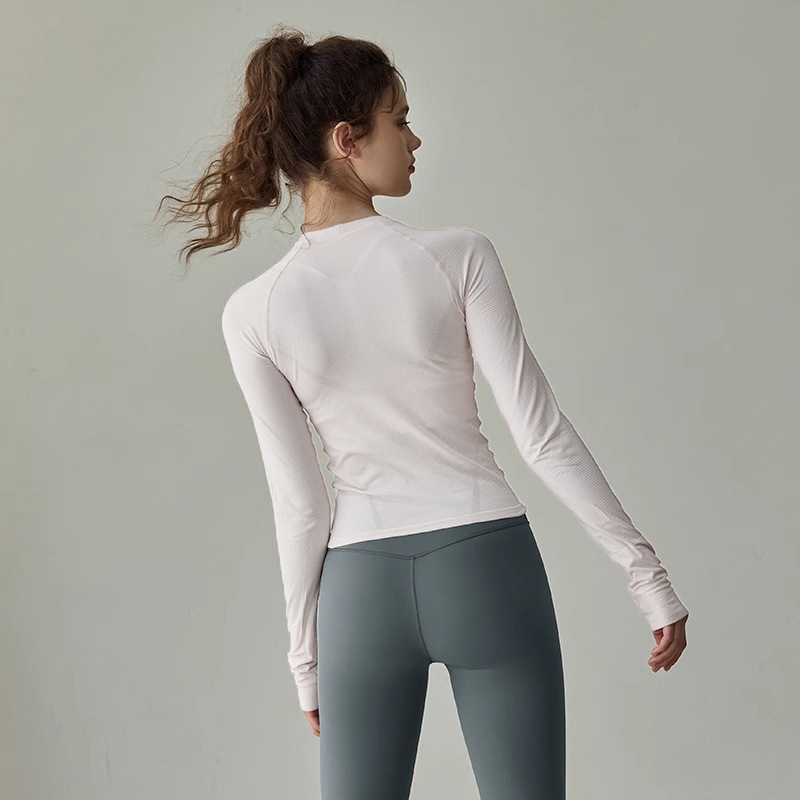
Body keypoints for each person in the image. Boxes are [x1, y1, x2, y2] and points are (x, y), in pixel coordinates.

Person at [159, 24, 689, 800]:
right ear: (347, 140)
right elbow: (540, 435)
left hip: (359, 592)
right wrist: (647, 577)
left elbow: (302, 507)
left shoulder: (254, 311)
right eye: (399, 120)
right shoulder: (457, 256)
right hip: (487, 566)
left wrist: (306, 660)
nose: (414, 140)